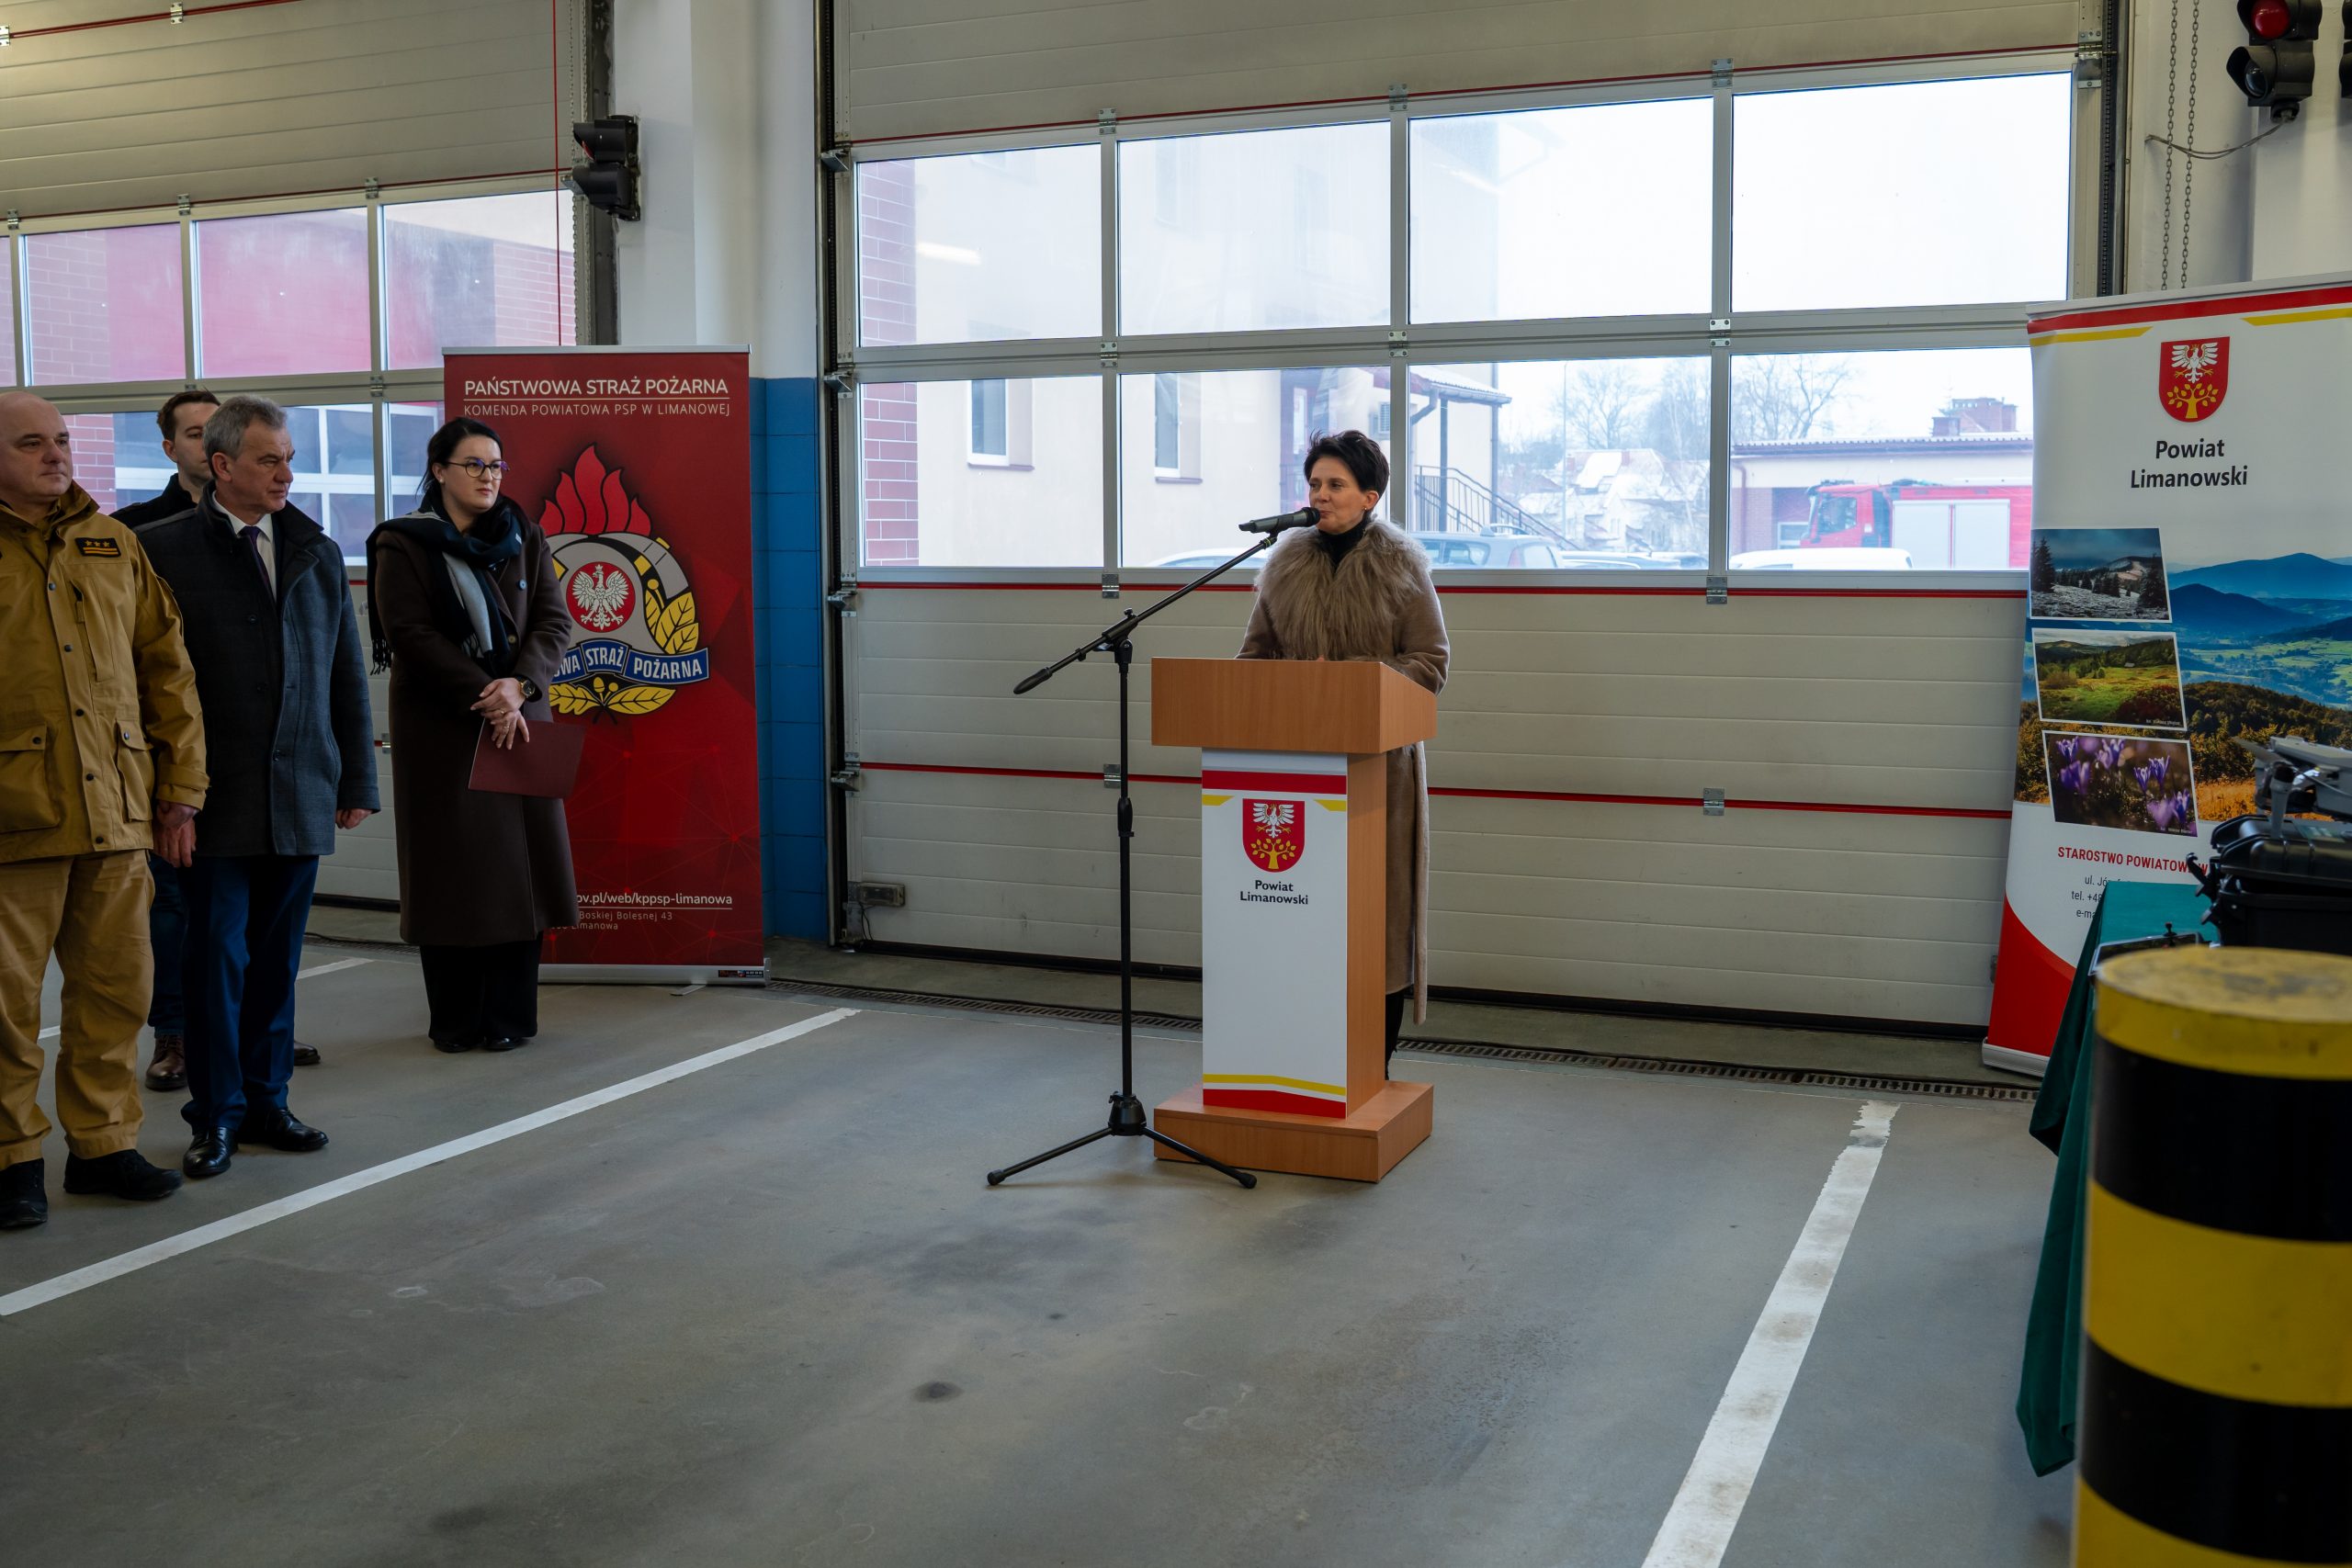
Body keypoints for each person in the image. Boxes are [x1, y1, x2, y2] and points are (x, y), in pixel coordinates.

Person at [138, 396, 377, 1180]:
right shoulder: (163, 550)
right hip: (211, 800)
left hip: (299, 789)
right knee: (215, 964)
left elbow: (344, 671)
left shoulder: (314, 548)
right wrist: (166, 796)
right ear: (222, 465)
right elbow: (145, 686)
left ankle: (270, 1102)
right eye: (269, 459)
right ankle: (217, 1114)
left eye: (289, 459)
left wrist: (355, 776)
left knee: (277, 963)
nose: (286, 474)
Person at [0, 392, 208, 1228]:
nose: (56, 454)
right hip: (13, 817)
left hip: (115, 808)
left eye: (60, 439)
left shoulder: (110, 541)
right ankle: (11, 1157)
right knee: (5, 1006)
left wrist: (181, 784)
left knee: (117, 989)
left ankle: (103, 1143)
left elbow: (167, 665)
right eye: (31, 443)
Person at [1237, 430, 1448, 1066]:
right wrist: (1295, 684)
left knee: (1375, 918)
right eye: (1314, 484)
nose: (1320, 495)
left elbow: (1430, 663)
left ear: (1369, 496)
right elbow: (1253, 660)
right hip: (1295, 769)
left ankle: (1371, 1063)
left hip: (1377, 770)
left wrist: (1350, 680)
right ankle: (1302, 1056)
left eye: (1335, 485)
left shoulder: (1401, 566)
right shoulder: (1282, 565)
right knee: (1305, 913)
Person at [366, 418, 577, 1053]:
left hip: (520, 720)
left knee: (520, 872)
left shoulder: (524, 535)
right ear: (439, 471)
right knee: (452, 872)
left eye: (496, 466)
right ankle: (456, 1020)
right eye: (474, 465)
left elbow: (554, 622)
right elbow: (410, 633)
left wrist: (520, 687)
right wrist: (488, 694)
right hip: (445, 727)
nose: (489, 477)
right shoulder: (403, 543)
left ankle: (509, 1018)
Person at [111, 389, 216, 1093]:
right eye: (195, 432)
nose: (210, 442)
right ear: (170, 447)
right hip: (165, 745)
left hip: (243, 746)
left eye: (219, 430)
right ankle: (173, 1033)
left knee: (242, 900)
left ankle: (247, 1022)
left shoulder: (273, 529)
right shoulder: (131, 534)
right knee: (170, 903)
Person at [112, 389, 219, 529]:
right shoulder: (129, 526)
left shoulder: (247, 515)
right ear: (171, 450)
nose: (210, 443)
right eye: (195, 435)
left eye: (218, 432)